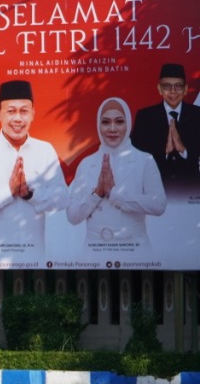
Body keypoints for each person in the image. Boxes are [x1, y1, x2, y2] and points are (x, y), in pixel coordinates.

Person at [0, 80, 68, 258]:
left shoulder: (45, 150)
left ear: (33, 114)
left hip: (34, 256)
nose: (17, 118)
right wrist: (7, 193)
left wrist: (30, 194)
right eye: (11, 111)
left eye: (24, 111)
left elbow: (63, 198)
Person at [66, 97, 166, 254]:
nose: (112, 129)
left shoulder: (144, 160)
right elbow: (73, 217)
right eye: (106, 122)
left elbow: (159, 205)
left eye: (119, 121)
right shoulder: (86, 164)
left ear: (128, 124)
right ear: (98, 125)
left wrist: (115, 194)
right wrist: (97, 194)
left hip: (134, 250)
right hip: (95, 251)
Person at [129, 63, 200, 194]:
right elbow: (135, 153)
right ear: (159, 89)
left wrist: (183, 149)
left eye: (178, 86)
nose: (173, 91)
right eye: (167, 86)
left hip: (191, 191)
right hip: (155, 190)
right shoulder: (145, 116)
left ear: (185, 89)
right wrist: (164, 151)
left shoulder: (197, 115)